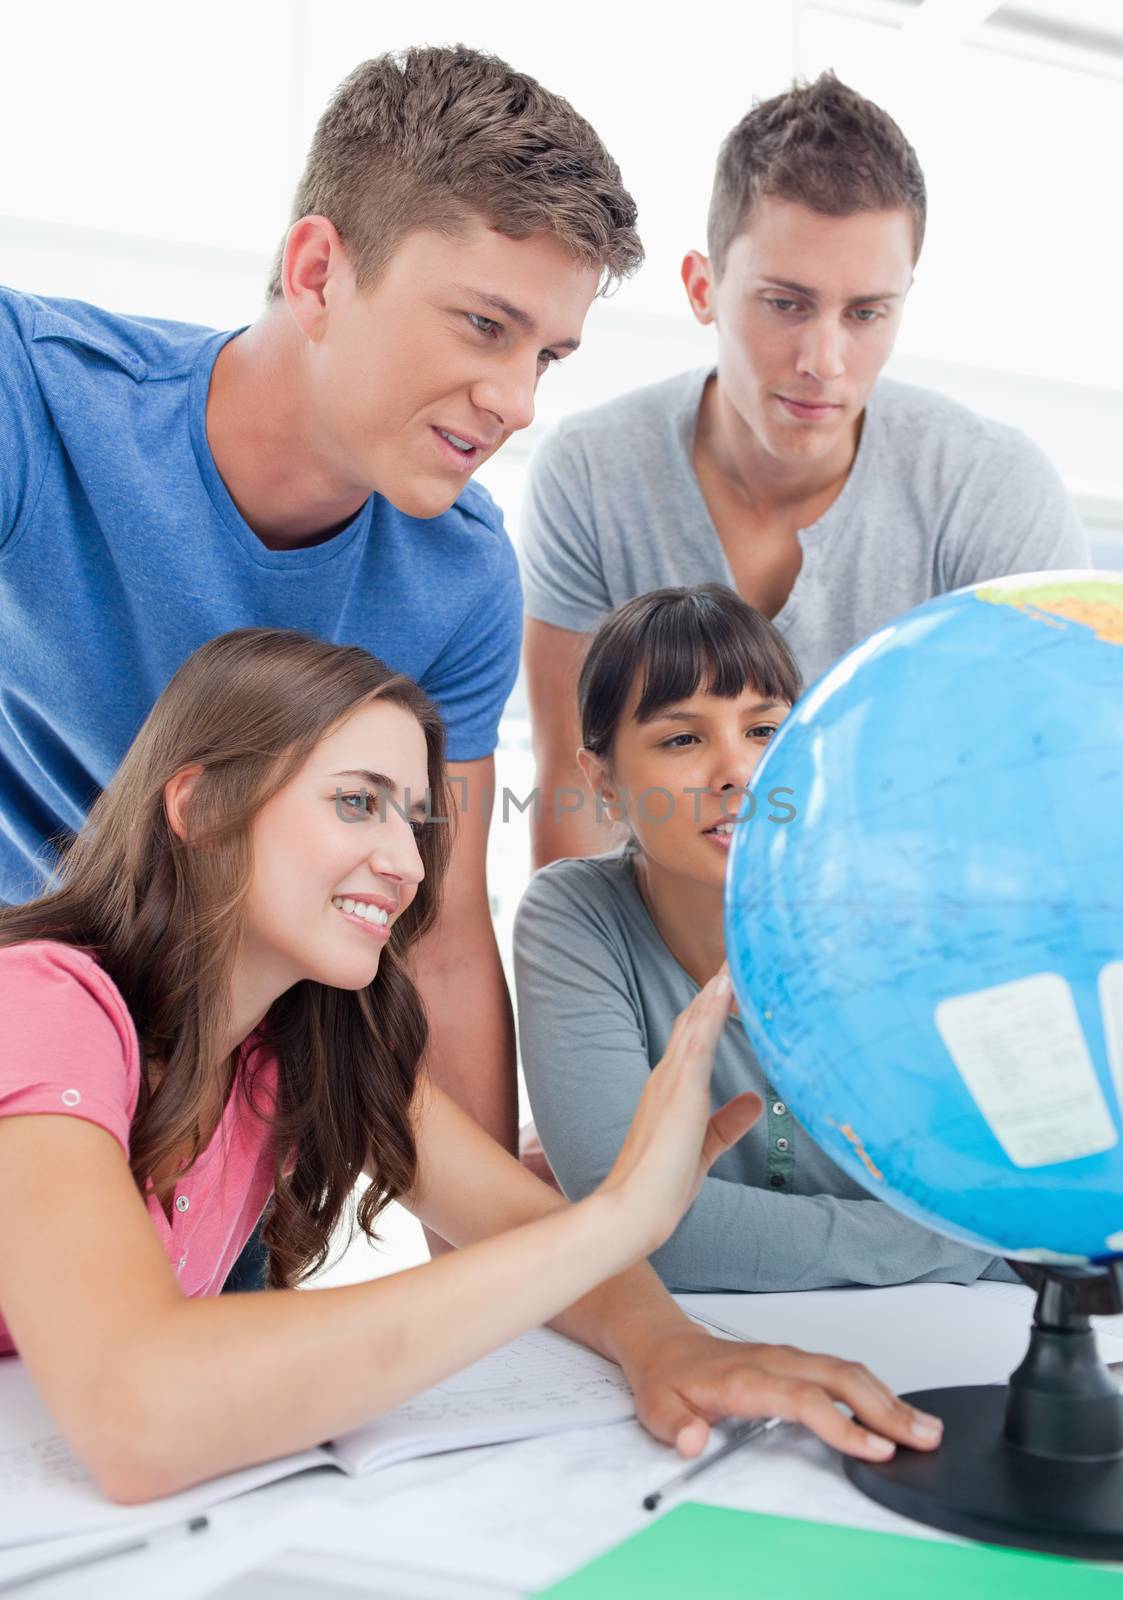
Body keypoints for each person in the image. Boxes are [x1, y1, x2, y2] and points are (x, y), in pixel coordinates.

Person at [0, 627, 945, 1503]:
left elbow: (510, 1223)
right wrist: (618, 1217)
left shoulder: (297, 1044)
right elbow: (136, 1414)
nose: (407, 865)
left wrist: (666, 1345)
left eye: (414, 821)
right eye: (356, 803)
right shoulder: (42, 1003)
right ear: (203, 807)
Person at [0, 45, 645, 1266]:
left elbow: (444, 934)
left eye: (547, 355)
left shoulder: (458, 573)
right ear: (317, 273)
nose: (517, 399)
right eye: (483, 324)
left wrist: (490, 1266)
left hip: (228, 1118)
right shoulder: (37, 397)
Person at [520, 71, 1091, 870]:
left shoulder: (989, 491)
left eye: (865, 313)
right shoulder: (590, 475)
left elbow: (1050, 796)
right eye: (785, 303)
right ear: (702, 288)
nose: (824, 361)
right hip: (662, 947)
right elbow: (575, 795)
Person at [515, 586, 1016, 1292]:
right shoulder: (575, 916)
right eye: (681, 738)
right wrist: (945, 1242)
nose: (739, 774)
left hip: (982, 1325)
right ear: (603, 781)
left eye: (764, 731)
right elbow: (627, 1228)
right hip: (753, 1342)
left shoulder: (897, 912)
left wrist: (974, 1240)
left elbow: (1007, 1209)